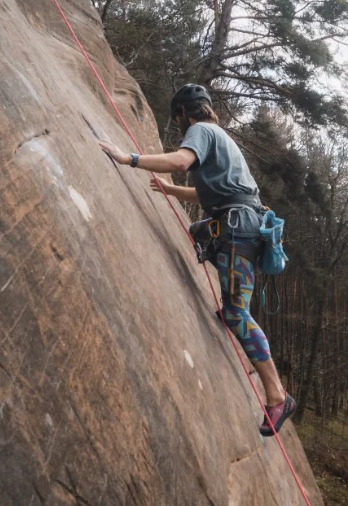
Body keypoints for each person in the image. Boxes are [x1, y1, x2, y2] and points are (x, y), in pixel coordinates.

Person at [98, 83, 296, 436]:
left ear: (183, 114)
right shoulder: (220, 136)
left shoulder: (200, 131)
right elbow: (215, 190)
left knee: (237, 313)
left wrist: (130, 159)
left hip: (239, 227)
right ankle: (233, 300)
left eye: (179, 120)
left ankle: (278, 396)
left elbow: (180, 161)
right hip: (240, 222)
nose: (180, 126)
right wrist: (172, 190)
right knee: (199, 230)